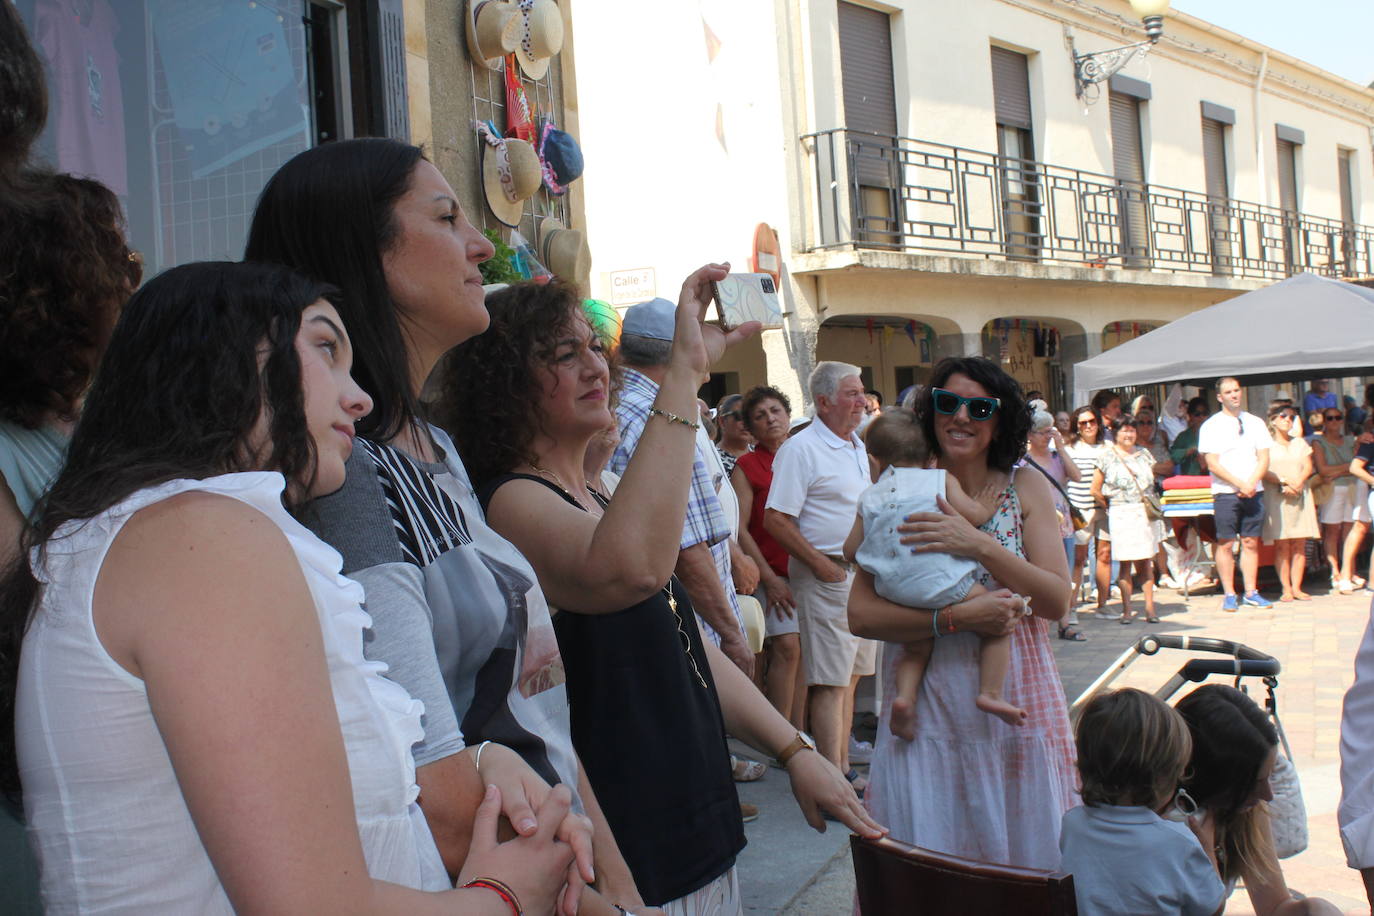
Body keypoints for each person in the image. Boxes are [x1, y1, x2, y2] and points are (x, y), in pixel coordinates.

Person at [1, 261, 580, 914]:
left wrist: (480, 763)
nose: (358, 397)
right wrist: (505, 898)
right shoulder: (205, 538)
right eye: (326, 349)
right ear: (219, 357)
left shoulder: (165, 538)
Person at [246, 139, 647, 913]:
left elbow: (541, 717)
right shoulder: (350, 475)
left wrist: (624, 890)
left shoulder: (437, 451)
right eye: (446, 217)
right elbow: (440, 790)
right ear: (367, 252)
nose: (481, 246)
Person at [433, 277, 885, 910]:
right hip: (630, 856)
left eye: (595, 347)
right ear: (503, 381)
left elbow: (688, 644)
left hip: (700, 834)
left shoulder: (602, 492)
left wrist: (796, 748)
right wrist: (685, 373)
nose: (597, 365)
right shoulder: (510, 503)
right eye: (565, 355)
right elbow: (631, 571)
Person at [849, 357, 1075, 870]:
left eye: (980, 407)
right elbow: (861, 616)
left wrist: (979, 545)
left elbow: (1057, 601)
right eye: (948, 403)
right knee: (934, 848)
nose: (962, 417)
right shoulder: (903, 490)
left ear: (1001, 419)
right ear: (930, 413)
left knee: (1022, 852)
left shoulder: (1025, 487)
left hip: (1014, 692)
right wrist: (954, 620)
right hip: (925, 703)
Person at [844, 408, 1024, 739]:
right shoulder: (940, 480)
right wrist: (985, 505)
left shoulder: (869, 496)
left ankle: (904, 698)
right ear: (931, 455)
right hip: (946, 584)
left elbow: (851, 550)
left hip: (894, 593)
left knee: (917, 647)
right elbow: (972, 516)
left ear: (873, 460)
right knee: (997, 617)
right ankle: (990, 692)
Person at [764, 362, 877, 787]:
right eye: (852, 393)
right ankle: (833, 778)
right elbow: (776, 518)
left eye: (861, 392)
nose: (861, 401)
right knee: (830, 679)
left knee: (850, 676)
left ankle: (843, 765)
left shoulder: (853, 444)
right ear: (825, 401)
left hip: (859, 575)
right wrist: (820, 564)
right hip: (829, 575)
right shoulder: (802, 448)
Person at [1178, 685, 1342, 916]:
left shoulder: (1244, 808)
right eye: (1254, 783)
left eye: (1268, 777)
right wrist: (1208, 855)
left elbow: (1274, 907)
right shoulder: (1163, 823)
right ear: (1214, 779)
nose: (1268, 795)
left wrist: (1312, 909)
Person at [1059, 688, 1224, 916]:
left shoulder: (1073, 824)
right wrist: (1208, 850)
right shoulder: (1178, 842)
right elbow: (1213, 907)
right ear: (1163, 777)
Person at [732, 386, 806, 728]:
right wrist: (770, 579)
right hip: (772, 571)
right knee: (787, 647)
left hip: (812, 570)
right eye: (760, 416)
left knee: (808, 654)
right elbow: (742, 529)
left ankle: (804, 729)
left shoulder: (806, 453)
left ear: (788, 414)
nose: (770, 419)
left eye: (775, 410)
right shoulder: (747, 466)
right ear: (751, 428)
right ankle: (781, 732)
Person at [1199, 377, 1273, 611]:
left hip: (1253, 490)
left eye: (1237, 390)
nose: (1234, 395)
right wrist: (1239, 483)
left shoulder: (1255, 422)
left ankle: (1251, 591)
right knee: (1226, 542)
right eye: (1228, 392)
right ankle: (1229, 592)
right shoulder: (1211, 425)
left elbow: (1264, 458)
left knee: (1251, 542)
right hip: (1226, 492)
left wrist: (1251, 482)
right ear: (1220, 397)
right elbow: (1212, 463)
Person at [1091, 415, 1161, 624]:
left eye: (1131, 430)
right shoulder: (1106, 456)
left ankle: (1150, 608)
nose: (1129, 434)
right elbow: (1095, 489)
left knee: (1145, 562)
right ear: (1115, 433)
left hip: (1142, 511)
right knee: (1124, 564)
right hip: (1120, 512)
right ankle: (1127, 610)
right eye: (1124, 431)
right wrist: (1111, 507)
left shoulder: (1144, 455)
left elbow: (1151, 482)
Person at [1023, 408, 1085, 640]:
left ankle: (1064, 622)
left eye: (1050, 431)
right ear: (1029, 435)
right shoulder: (1022, 462)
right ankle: (1038, 623)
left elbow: (1076, 476)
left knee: (1065, 575)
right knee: (1037, 575)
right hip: (1035, 528)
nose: (1047, 436)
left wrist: (1060, 447)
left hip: (1063, 526)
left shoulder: (1058, 457)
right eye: (1042, 432)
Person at [1261, 406, 1318, 601]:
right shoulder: (1266, 445)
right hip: (1278, 496)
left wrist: (1298, 482)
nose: (1288, 420)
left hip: (1299, 494)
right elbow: (1264, 469)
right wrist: (1283, 481)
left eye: (1292, 417)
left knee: (1300, 543)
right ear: (1273, 420)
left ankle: (1297, 586)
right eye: (1284, 416)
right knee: (1282, 544)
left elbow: (1308, 466)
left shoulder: (1300, 443)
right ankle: (1285, 587)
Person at [1312, 403, 1368, 593]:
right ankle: (1334, 571)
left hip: (1352, 487)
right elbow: (1323, 470)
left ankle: (1348, 570)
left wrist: (1340, 470)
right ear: (1324, 421)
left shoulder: (1350, 440)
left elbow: (1353, 465)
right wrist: (1348, 468)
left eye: (1338, 417)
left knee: (1349, 529)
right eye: (1330, 418)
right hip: (1332, 489)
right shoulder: (1319, 443)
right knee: (1332, 531)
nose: (1334, 421)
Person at [1064, 405, 1109, 613]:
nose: (1088, 426)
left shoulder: (1107, 447)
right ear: (1077, 426)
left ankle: (1102, 604)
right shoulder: (1069, 449)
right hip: (1079, 509)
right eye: (1083, 422)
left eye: (1092, 421)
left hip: (1103, 508)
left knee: (1104, 555)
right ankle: (1071, 606)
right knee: (1078, 559)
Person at [714, 393, 753, 477]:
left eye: (750, 416)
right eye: (739, 416)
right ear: (722, 422)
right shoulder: (713, 459)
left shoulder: (760, 453)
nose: (745, 422)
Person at [1170, 397, 1210, 477]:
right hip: (1190, 482)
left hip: (1213, 482)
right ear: (1190, 416)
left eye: (1204, 413)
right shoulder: (1183, 436)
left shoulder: (1215, 434)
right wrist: (1188, 451)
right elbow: (1172, 456)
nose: (1201, 417)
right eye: (1197, 414)